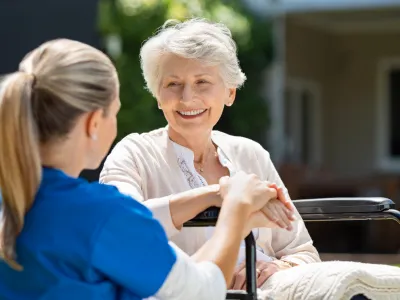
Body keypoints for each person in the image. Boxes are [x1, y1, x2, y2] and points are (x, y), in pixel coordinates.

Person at [0, 38, 288, 300]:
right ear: (93, 123)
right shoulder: (102, 215)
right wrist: (236, 208)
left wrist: (213, 194)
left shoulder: (16, 200)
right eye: (115, 112)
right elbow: (203, 291)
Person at [100, 18, 321, 290]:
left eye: (202, 82)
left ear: (230, 93)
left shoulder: (251, 154)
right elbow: (121, 228)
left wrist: (275, 267)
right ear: (158, 95)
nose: (187, 97)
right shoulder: (133, 153)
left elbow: (303, 252)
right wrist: (218, 194)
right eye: (172, 84)